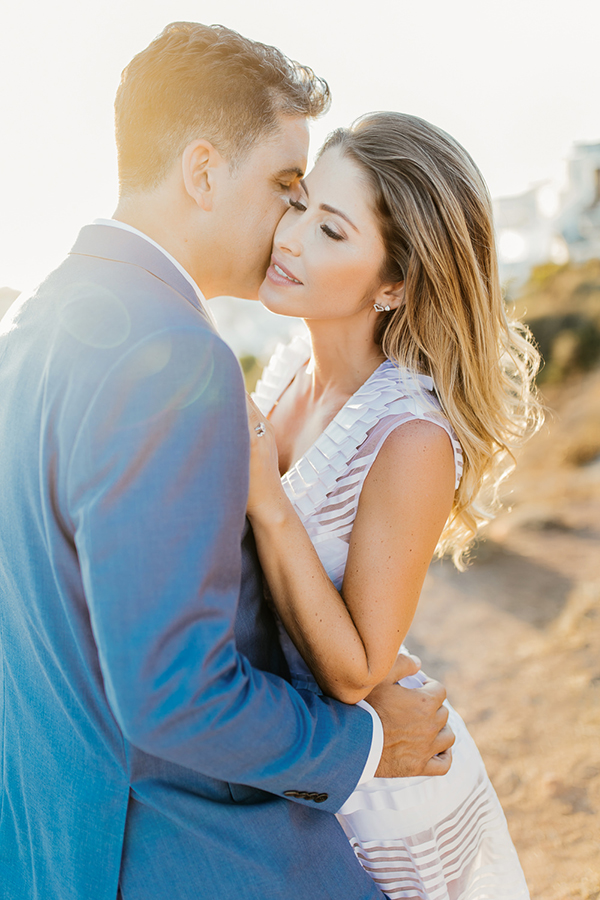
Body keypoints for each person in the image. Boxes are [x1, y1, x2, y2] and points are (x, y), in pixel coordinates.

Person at [0, 24, 454, 900]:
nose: (290, 223)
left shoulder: (24, 337)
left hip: (55, 849)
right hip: (199, 857)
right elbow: (173, 689)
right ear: (204, 172)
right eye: (287, 188)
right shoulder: (173, 355)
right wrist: (366, 745)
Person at [246, 112, 542, 899]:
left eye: (332, 230)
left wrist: (266, 501)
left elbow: (354, 672)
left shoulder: (409, 435)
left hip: (382, 806)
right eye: (301, 203)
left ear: (394, 284)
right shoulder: (281, 376)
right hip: (296, 768)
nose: (292, 237)